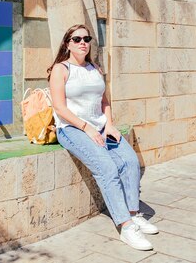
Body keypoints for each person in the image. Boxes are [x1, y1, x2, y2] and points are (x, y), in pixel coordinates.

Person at [48, 24, 159, 251]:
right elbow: (59, 108)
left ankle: (133, 213)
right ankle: (126, 228)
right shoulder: (61, 69)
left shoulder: (95, 69)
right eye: (76, 38)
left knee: (129, 162)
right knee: (107, 168)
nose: (82, 43)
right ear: (67, 43)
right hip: (71, 129)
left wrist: (109, 124)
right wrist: (86, 127)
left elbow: (104, 102)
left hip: (100, 127)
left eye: (86, 38)